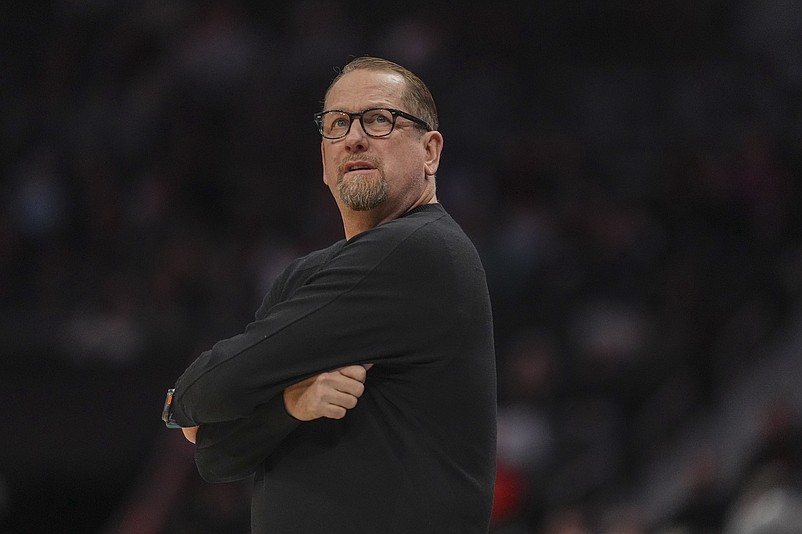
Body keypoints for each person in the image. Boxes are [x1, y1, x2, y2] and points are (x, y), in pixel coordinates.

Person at [164, 56, 497, 533]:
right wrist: (290, 406)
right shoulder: (306, 275)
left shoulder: (420, 252)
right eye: (338, 123)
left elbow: (204, 393)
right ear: (324, 158)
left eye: (379, 120)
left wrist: (181, 402)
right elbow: (218, 458)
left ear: (431, 151)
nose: (354, 137)